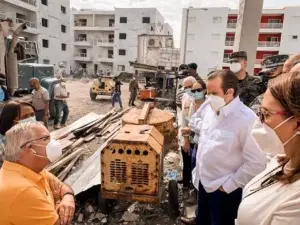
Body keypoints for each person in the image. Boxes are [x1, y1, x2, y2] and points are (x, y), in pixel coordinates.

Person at [189, 70, 266, 225]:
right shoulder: (211, 109)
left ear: (229, 92)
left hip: (224, 192)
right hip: (203, 183)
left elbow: (257, 163)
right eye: (207, 93)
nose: (208, 97)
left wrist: (227, 185)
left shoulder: (246, 119)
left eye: (213, 93)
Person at [236, 71, 300, 225]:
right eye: (259, 113)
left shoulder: (296, 203)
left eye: (266, 114)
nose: (259, 122)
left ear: (297, 123)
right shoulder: (281, 160)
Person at [0, 122, 75, 225]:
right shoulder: (23, 190)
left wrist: (68, 197)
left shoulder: (30, 170)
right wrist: (58, 201)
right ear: (30, 148)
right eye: (46, 138)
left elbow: (62, 186)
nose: (53, 142)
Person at [180, 81, 206, 225]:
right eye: (191, 89)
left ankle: (197, 200)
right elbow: (185, 122)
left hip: (203, 145)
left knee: (201, 175)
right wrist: (186, 139)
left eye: (198, 90)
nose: (194, 92)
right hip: (194, 143)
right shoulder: (189, 103)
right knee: (193, 169)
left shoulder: (209, 107)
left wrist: (191, 130)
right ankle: (194, 193)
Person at [0, 101, 35, 167]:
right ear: (13, 119)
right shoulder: (3, 146)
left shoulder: (32, 135)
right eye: (25, 116)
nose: (31, 119)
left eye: (32, 115)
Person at [180, 76, 197, 201]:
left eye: (189, 87)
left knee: (194, 166)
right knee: (186, 163)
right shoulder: (185, 97)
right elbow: (183, 119)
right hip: (187, 139)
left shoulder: (201, 99)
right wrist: (185, 139)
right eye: (185, 87)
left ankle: (193, 189)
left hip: (196, 140)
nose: (187, 89)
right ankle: (186, 186)